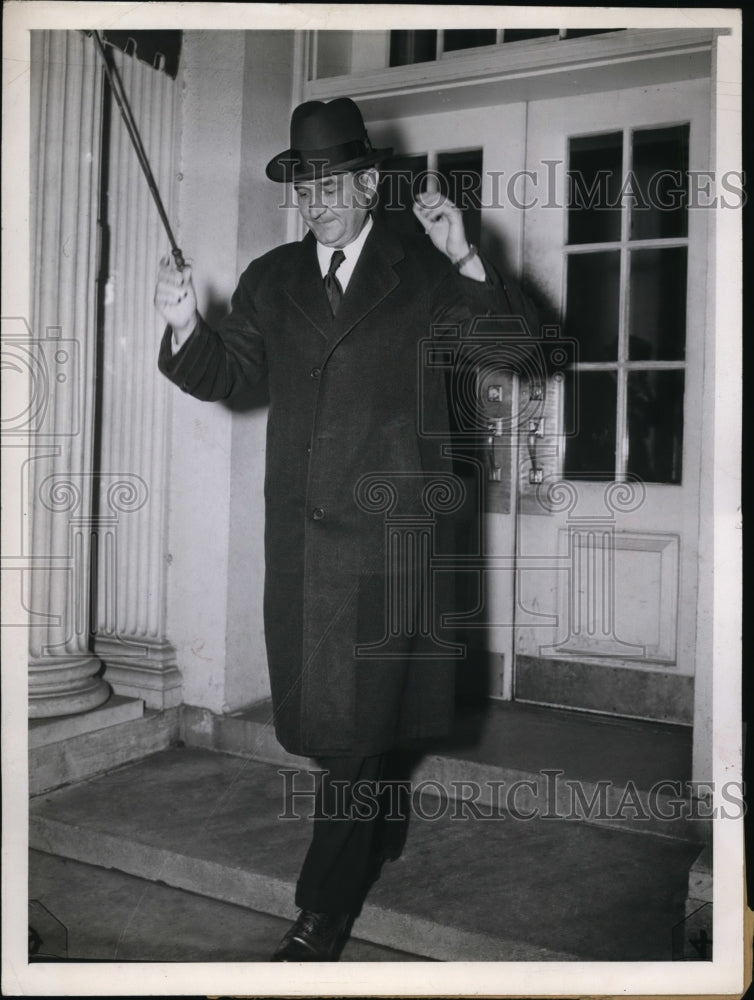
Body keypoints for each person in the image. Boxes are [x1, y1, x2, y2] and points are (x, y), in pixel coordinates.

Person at [154, 96, 536, 961]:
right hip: (302, 545)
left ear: (370, 183)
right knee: (339, 727)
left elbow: (512, 353)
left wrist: (466, 256)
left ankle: (322, 911)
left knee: (355, 730)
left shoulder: (424, 267)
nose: (315, 197)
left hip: (391, 547)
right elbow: (228, 374)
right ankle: (378, 825)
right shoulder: (271, 277)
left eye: (332, 180)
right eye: (302, 182)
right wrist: (183, 323)